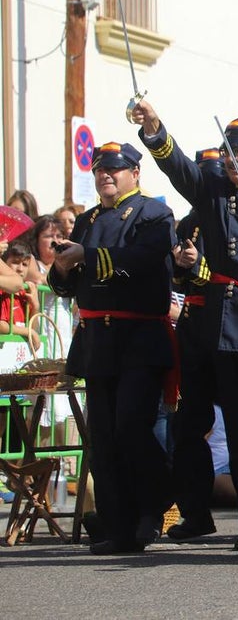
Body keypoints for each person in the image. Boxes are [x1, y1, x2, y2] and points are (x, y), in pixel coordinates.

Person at [133, 100, 238, 557]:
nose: (230, 159)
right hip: (224, 329)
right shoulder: (212, 194)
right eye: (226, 151)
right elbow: (179, 168)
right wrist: (154, 128)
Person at [47, 141, 176, 554]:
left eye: (115, 169)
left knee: (132, 429)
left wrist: (91, 255)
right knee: (103, 438)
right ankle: (118, 525)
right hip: (98, 342)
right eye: (100, 169)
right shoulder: (86, 220)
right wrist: (63, 267)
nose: (106, 175)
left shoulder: (153, 213)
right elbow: (68, 283)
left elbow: (143, 259)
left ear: (135, 173)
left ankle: (154, 505)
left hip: (137, 338)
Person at [166, 148, 225, 542]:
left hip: (230, 327)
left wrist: (200, 268)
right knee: (189, 428)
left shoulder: (235, 213)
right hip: (194, 331)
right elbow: (177, 281)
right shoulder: (188, 222)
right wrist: (181, 266)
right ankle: (196, 512)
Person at [0, 240, 41, 350]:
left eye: (25, 264)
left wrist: (35, 307)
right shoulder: (3, 290)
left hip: (18, 356)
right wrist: (28, 332)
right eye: (15, 262)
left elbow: (34, 330)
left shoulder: (26, 293)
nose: (20, 269)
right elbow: (1, 326)